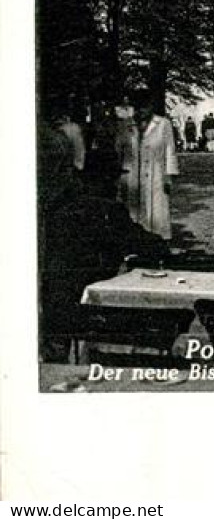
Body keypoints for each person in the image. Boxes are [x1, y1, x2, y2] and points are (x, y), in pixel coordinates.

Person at [38, 120, 167, 361]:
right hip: (88, 313)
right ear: (107, 181)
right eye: (114, 179)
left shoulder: (55, 208)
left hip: (53, 309)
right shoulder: (104, 210)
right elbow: (150, 245)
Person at [117, 89, 179, 239]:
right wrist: (120, 177)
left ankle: (159, 241)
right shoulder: (126, 126)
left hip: (156, 174)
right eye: (137, 107)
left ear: (151, 106)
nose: (141, 111)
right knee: (133, 212)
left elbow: (170, 150)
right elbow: (119, 151)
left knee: (156, 212)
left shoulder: (163, 124)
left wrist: (169, 176)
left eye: (144, 107)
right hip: (132, 174)